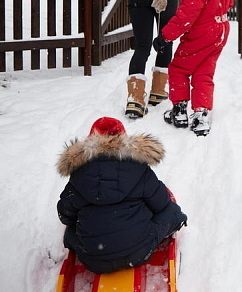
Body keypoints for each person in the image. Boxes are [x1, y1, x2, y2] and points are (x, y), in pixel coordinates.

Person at [56, 116, 187, 274]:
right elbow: (162, 204)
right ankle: (174, 222)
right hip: (140, 251)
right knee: (172, 211)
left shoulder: (79, 173)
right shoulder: (138, 167)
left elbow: (65, 216)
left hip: (93, 260)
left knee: (72, 230)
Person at [152, 0, 234, 136]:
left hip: (202, 33)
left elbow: (185, 18)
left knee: (178, 69)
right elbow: (229, 1)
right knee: (204, 72)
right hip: (220, 30)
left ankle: (179, 111)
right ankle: (201, 115)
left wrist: (165, 36)